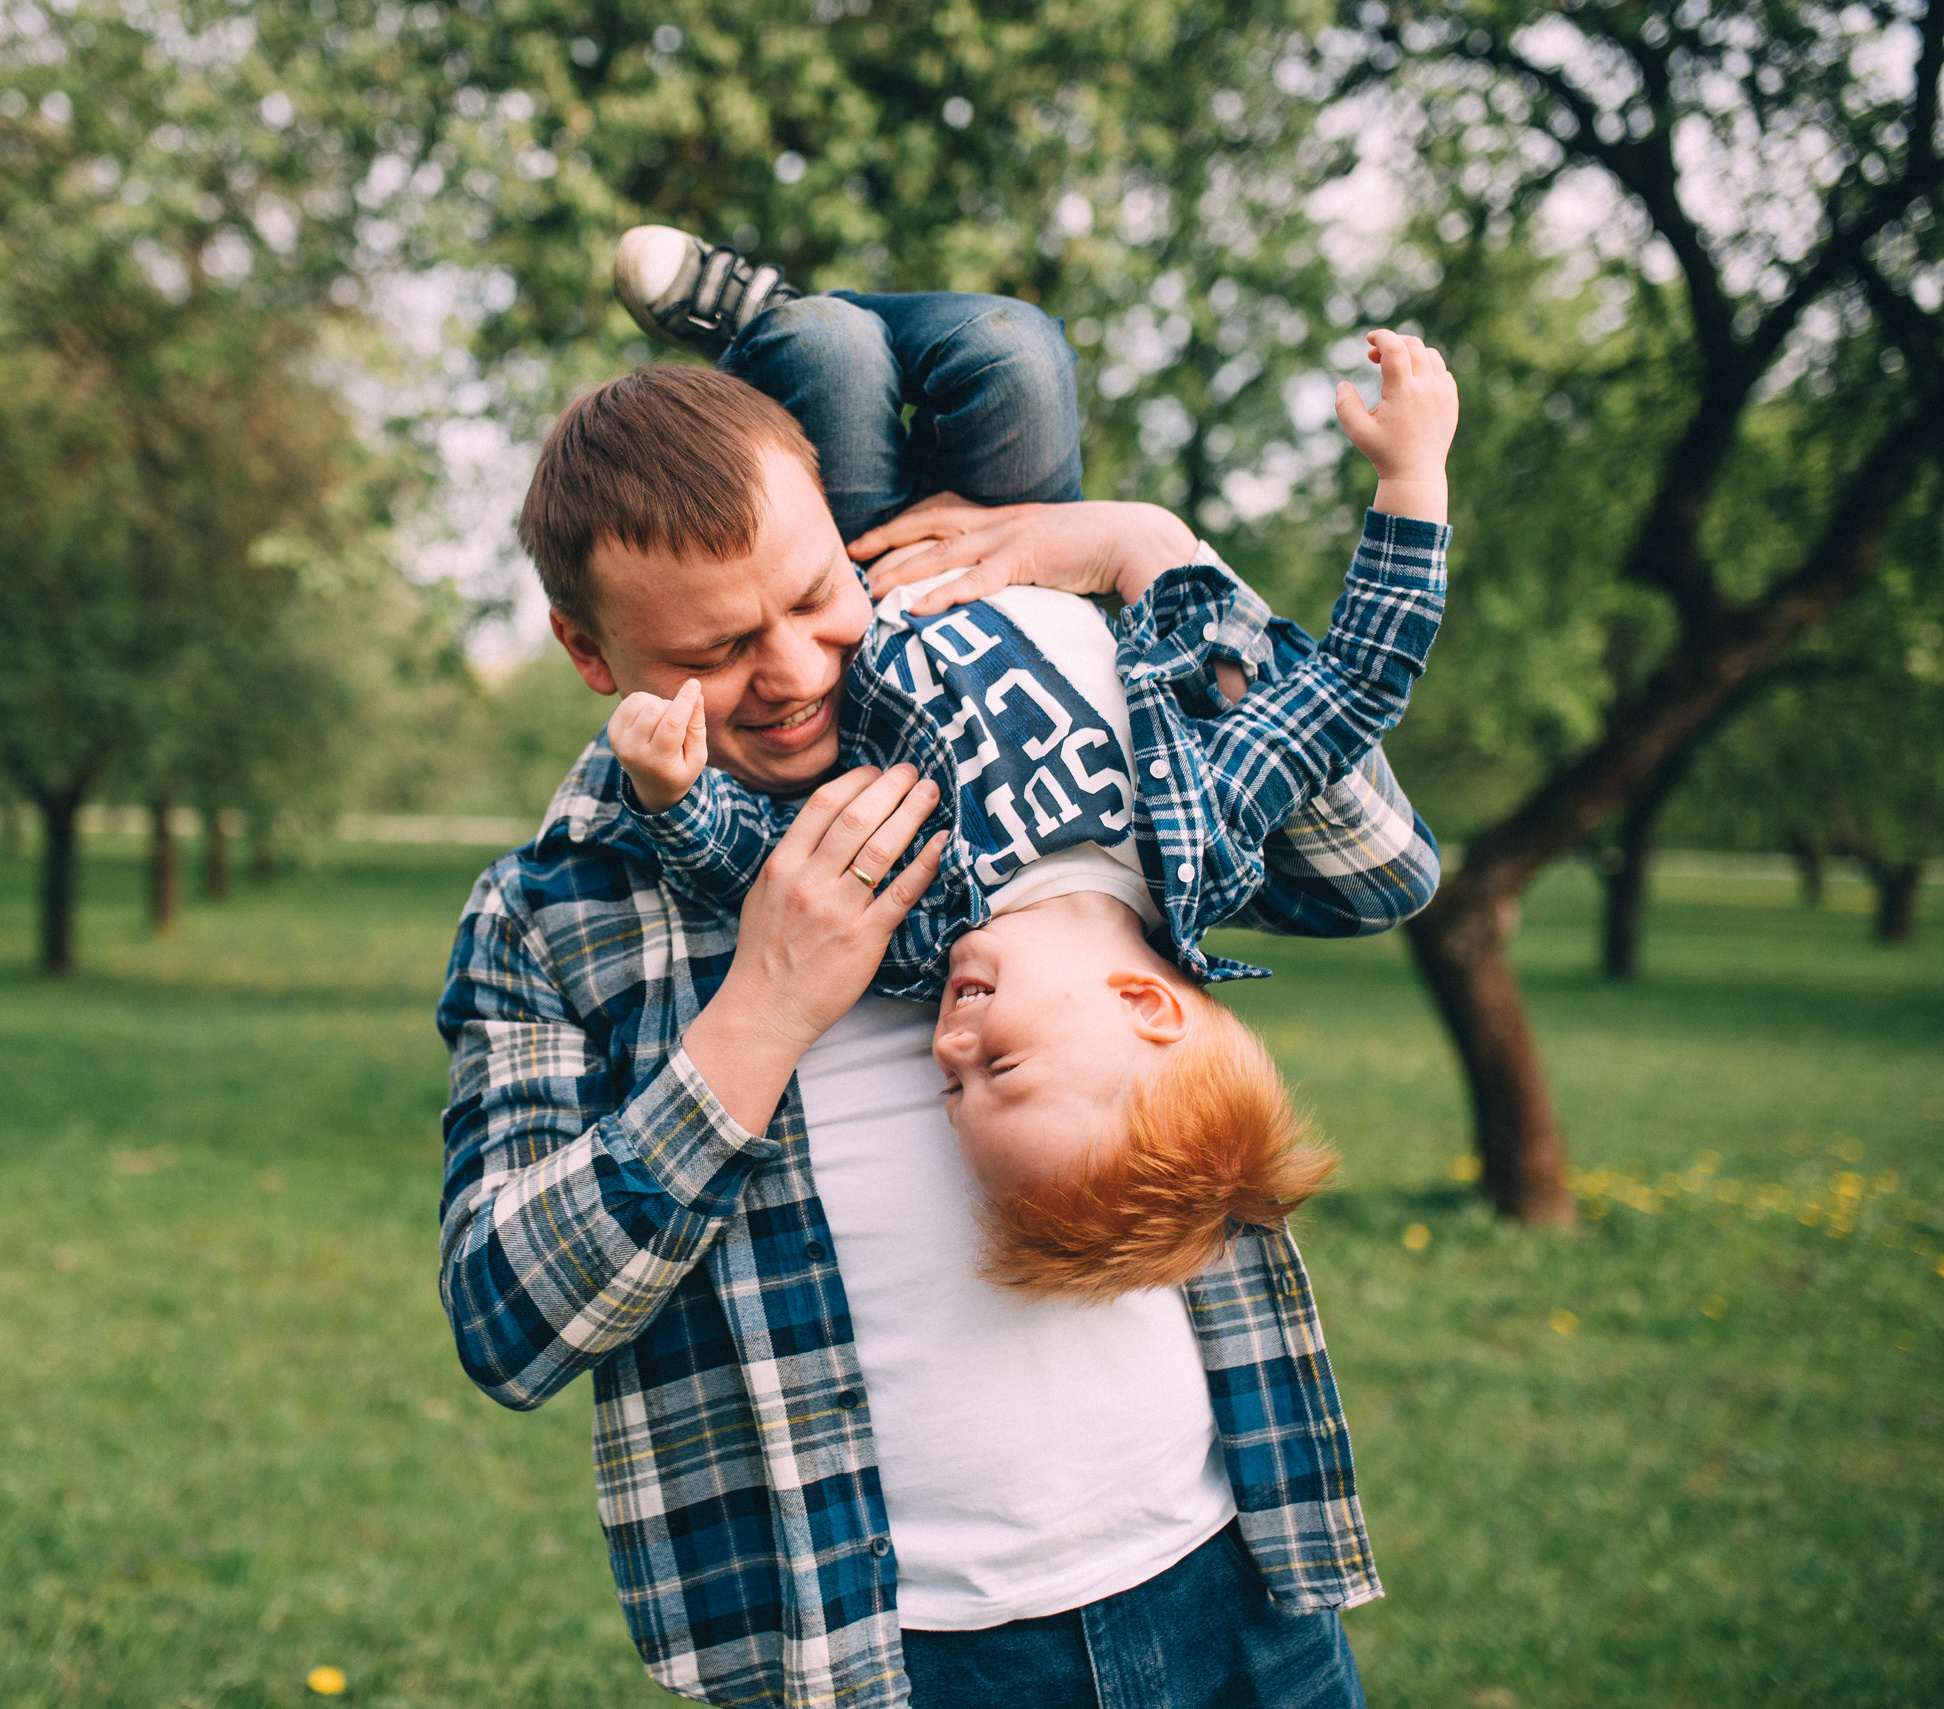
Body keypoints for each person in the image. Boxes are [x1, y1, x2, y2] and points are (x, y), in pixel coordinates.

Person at [438, 240, 1423, 1708]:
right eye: (716, 649)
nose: (798, 673)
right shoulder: (558, 906)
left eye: (822, 595)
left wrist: (1145, 547)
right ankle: (793, 331)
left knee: (1008, 354)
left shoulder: (1020, 708)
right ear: (590, 652)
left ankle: (792, 333)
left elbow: (1376, 866)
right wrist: (760, 1009)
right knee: (871, 357)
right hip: (890, 1661)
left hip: (1235, 1585)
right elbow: (508, 1325)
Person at [597, 292, 1459, 1302]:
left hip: (851, 578)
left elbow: (756, 859)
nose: (950, 1048)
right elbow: (1352, 684)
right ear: (1144, 1004)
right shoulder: (1203, 832)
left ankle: (763, 319)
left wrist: (672, 791)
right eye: (997, 1068)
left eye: (952, 1088)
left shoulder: (915, 927)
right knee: (1011, 352)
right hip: (1035, 538)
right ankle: (767, 312)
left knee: (819, 347)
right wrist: (1413, 475)